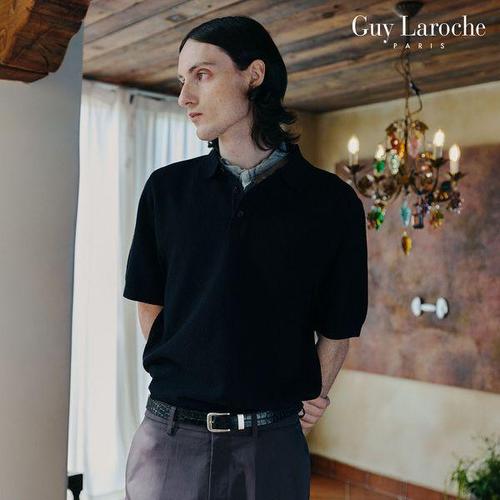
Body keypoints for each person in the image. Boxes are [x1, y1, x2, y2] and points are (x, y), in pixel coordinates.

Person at [122, 15, 368, 500]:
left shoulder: (331, 202)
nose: (184, 96)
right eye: (182, 79)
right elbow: (148, 301)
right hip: (170, 440)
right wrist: (200, 373)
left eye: (202, 74)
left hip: (271, 446)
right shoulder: (166, 190)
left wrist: (313, 395)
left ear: (253, 75)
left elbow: (338, 326)